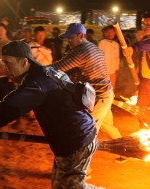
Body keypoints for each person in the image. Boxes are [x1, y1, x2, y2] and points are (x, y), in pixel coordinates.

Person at [0, 40, 123, 189]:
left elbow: (9, 108)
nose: (6, 67)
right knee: (60, 184)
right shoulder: (45, 72)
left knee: (72, 188)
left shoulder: (37, 83)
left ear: (23, 62)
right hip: (68, 138)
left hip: (77, 139)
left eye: (9, 62)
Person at [52, 23, 126, 163]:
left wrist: (32, 68)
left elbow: (56, 68)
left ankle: (81, 170)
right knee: (107, 126)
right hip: (105, 94)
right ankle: (127, 150)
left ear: (81, 36)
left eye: (71, 38)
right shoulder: (93, 47)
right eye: (67, 38)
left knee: (86, 132)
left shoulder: (81, 51)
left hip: (98, 98)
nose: (68, 41)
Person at [98, 25, 120, 90]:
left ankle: (111, 100)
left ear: (115, 33)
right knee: (103, 88)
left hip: (113, 71)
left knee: (112, 88)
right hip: (104, 72)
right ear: (106, 33)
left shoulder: (116, 44)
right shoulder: (102, 43)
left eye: (112, 32)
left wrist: (117, 70)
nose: (110, 34)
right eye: (109, 32)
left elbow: (117, 58)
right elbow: (99, 57)